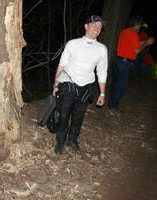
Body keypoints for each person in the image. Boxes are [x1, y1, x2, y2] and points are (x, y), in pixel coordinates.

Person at [52, 15, 108, 155]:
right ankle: (60, 141)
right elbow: (61, 65)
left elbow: (102, 72)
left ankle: (72, 140)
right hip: (69, 83)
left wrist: (102, 93)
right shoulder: (73, 43)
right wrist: (55, 85)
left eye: (100, 27)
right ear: (86, 26)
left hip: (86, 87)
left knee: (78, 117)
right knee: (64, 115)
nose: (97, 29)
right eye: (94, 25)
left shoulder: (101, 49)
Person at [108, 16, 154, 109]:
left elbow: (133, 44)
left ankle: (111, 103)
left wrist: (143, 42)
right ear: (136, 24)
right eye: (140, 24)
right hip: (124, 63)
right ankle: (113, 105)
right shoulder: (133, 34)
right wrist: (147, 43)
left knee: (116, 83)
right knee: (121, 85)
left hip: (118, 60)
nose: (140, 26)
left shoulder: (124, 31)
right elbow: (137, 51)